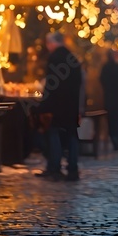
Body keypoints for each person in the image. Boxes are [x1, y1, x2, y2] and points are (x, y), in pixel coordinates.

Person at [36, 32, 83, 181]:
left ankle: (54, 167)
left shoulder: (54, 58)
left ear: (51, 43)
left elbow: (51, 84)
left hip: (57, 104)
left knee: (54, 134)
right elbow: (79, 83)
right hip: (71, 104)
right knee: (71, 135)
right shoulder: (73, 58)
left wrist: (45, 104)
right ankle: (73, 168)